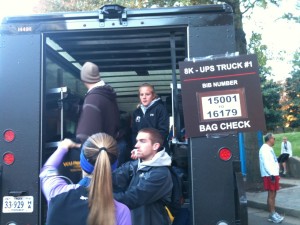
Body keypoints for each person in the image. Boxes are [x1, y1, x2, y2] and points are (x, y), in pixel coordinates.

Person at [40, 133, 132, 225]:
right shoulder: (121, 211)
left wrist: (63, 148)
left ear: (82, 161)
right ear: (113, 166)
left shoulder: (57, 192)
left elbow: (47, 170)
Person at [112, 128, 173, 225]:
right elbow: (114, 178)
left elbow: (133, 197)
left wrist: (103, 198)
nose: (136, 145)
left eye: (142, 141)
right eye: (137, 141)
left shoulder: (161, 173)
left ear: (155, 146)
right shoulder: (134, 165)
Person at [76, 61, 120, 143]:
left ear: (83, 79)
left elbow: (86, 135)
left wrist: (73, 145)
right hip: (109, 148)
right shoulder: (107, 95)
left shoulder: (93, 99)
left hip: (99, 152)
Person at [131, 83, 169, 152]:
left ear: (153, 95)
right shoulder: (136, 112)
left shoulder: (160, 108)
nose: (144, 97)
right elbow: (134, 133)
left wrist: (151, 147)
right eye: (141, 94)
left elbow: (163, 131)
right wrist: (136, 147)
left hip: (158, 150)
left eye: (147, 94)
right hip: (141, 150)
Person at [259, 133, 284, 223]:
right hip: (269, 175)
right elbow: (266, 163)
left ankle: (272, 213)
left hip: (273, 174)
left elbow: (272, 161)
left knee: (273, 194)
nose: (275, 140)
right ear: (269, 139)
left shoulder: (269, 148)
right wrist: (271, 175)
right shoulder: (264, 149)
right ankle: (272, 214)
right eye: (274, 138)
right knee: (271, 194)